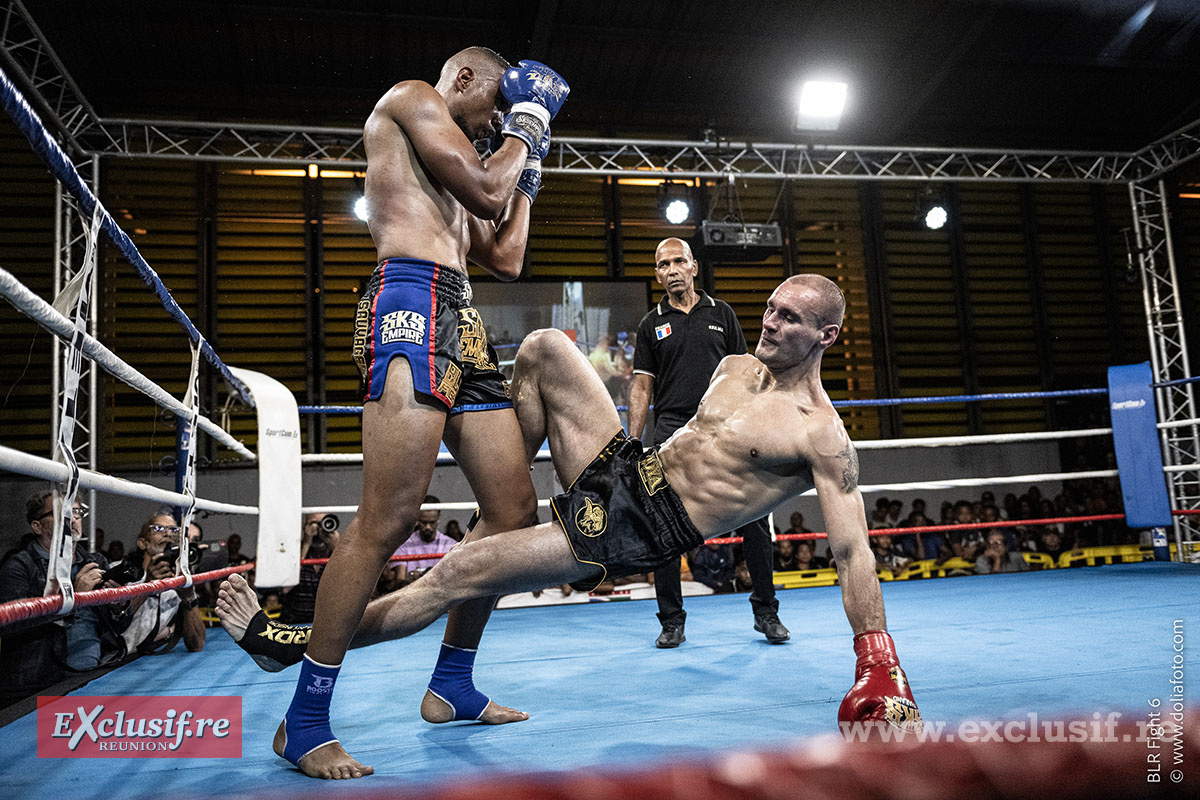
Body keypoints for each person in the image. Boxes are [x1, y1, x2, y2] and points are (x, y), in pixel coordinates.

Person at [217, 275, 922, 778]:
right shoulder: (736, 365)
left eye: (792, 320)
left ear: (827, 335)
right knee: (547, 346)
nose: (771, 324)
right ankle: (492, 554)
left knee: (457, 571)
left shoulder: (821, 436)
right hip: (629, 473)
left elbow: (854, 550)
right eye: (771, 309)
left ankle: (292, 646)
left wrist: (878, 658)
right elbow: (678, 433)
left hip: (639, 534)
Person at [269, 47, 569, 778]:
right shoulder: (412, 99)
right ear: (462, 80)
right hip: (407, 299)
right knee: (389, 515)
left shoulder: (464, 159)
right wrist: (526, 124)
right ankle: (303, 721)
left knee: (512, 510)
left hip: (462, 319)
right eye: (495, 103)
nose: (498, 118)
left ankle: (452, 683)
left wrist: (530, 161)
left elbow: (506, 256)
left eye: (507, 112)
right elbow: (488, 192)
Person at [627, 237, 788, 649]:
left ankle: (766, 613)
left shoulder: (722, 314)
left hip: (726, 427)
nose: (672, 269)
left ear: (694, 266)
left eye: (679, 261)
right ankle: (671, 621)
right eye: (663, 264)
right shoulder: (651, 324)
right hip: (673, 429)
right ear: (657, 273)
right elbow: (642, 386)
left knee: (755, 519)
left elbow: (746, 373)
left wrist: (759, 424)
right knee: (663, 523)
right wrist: (632, 442)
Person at [0, 492, 117, 707]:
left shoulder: (94, 561)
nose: (72, 519)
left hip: (96, 675)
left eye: (76, 512)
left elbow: (117, 625)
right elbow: (10, 625)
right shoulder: (18, 566)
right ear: (37, 527)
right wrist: (74, 598)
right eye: (62, 513)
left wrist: (119, 602)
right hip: (38, 684)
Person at [118, 512, 206, 655]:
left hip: (143, 662)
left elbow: (196, 644)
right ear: (142, 543)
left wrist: (189, 598)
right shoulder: (121, 573)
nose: (167, 534)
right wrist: (148, 586)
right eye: (158, 529)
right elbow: (114, 625)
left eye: (174, 530)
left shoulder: (177, 582)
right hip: (113, 664)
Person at [278, 513, 340, 624]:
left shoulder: (338, 554)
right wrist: (306, 544)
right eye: (313, 523)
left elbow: (352, 585)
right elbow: (285, 588)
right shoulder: (292, 551)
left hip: (325, 625)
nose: (319, 529)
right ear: (304, 528)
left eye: (323, 523)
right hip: (292, 624)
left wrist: (336, 547)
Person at [391, 497, 457, 584]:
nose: (428, 527)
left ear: (438, 519)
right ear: (417, 519)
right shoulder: (404, 545)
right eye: (424, 522)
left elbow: (454, 579)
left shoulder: (450, 545)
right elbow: (400, 579)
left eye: (432, 522)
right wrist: (410, 579)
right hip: (412, 592)